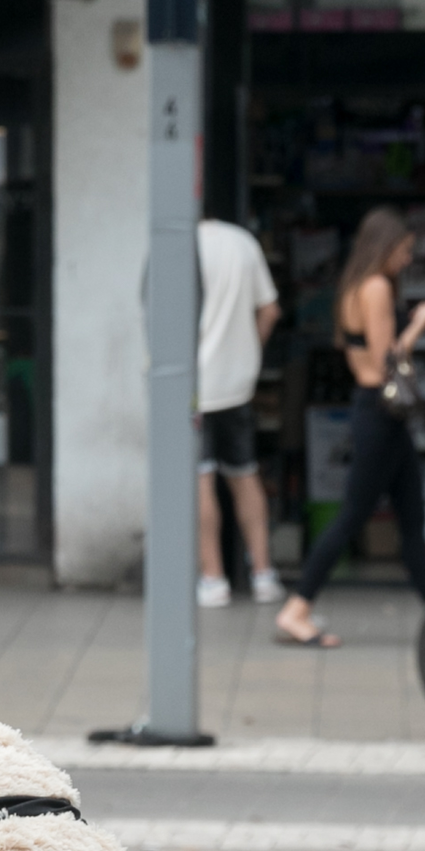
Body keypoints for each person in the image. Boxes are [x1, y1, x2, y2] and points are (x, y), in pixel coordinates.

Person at [270, 206, 425, 648]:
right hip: (379, 412)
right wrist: (421, 323)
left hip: (377, 413)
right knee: (352, 515)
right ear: (385, 247)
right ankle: (297, 606)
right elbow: (389, 362)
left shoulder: (352, 286)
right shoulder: (376, 288)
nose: (407, 260)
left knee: (411, 517)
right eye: (404, 251)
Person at [191, 215, 288, 606]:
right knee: (244, 475)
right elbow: (270, 310)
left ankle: (213, 579)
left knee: (200, 480)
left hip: (193, 386)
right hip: (236, 385)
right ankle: (264, 575)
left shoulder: (179, 245)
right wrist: (248, 354)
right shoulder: (243, 241)